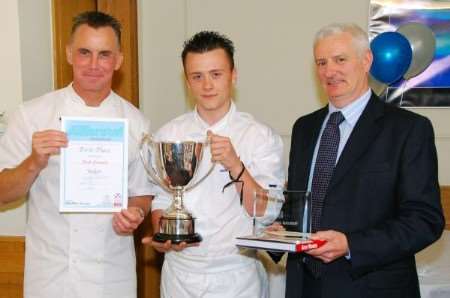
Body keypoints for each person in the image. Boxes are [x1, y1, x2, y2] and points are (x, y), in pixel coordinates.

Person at [281, 23, 444, 298]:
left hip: (371, 288)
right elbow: (301, 205)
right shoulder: (304, 128)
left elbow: (424, 220)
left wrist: (351, 245)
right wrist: (280, 226)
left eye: (340, 59)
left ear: (366, 60)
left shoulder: (408, 129)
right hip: (305, 287)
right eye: (321, 62)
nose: (329, 71)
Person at [0, 11, 152, 298]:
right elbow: (3, 193)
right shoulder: (32, 115)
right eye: (85, 52)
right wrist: (34, 162)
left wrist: (136, 213)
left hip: (111, 274)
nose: (94, 64)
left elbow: (141, 193)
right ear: (69, 53)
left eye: (104, 54)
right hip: (50, 275)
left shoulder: (136, 124)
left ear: (119, 60)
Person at [144, 31, 285, 297]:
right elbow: (161, 199)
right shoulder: (168, 135)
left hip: (237, 274)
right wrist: (164, 236)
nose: (207, 85)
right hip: (180, 273)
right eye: (197, 76)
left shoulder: (259, 136)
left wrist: (235, 164)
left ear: (234, 75)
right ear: (187, 81)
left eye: (216, 74)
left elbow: (267, 212)